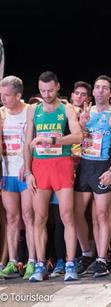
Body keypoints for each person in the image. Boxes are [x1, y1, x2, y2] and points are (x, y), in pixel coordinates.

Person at [24, 71, 83, 282]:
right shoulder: (34, 109)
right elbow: (27, 142)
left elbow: (78, 136)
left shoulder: (66, 108)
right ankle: (40, 264)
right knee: (39, 217)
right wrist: (28, 171)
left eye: (50, 90)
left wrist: (51, 141)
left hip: (62, 165)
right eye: (42, 91)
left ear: (58, 87)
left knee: (67, 216)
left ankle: (69, 263)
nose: (46, 94)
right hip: (40, 167)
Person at [74, 75, 111, 277]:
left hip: (102, 166)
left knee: (102, 216)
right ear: (93, 92)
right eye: (97, 87)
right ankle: (87, 254)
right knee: (76, 214)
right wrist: (82, 123)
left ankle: (102, 259)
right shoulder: (87, 113)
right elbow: (80, 137)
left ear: (110, 93)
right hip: (85, 165)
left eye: (105, 88)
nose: (101, 91)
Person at [0, 76, 35, 279]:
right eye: (1, 95)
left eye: (6, 95)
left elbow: (33, 142)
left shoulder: (30, 111)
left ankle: (32, 260)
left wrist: (27, 164)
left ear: (18, 95)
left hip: (25, 172)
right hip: (7, 173)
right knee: (11, 218)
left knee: (28, 216)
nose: (3, 99)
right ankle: (13, 261)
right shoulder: (1, 114)